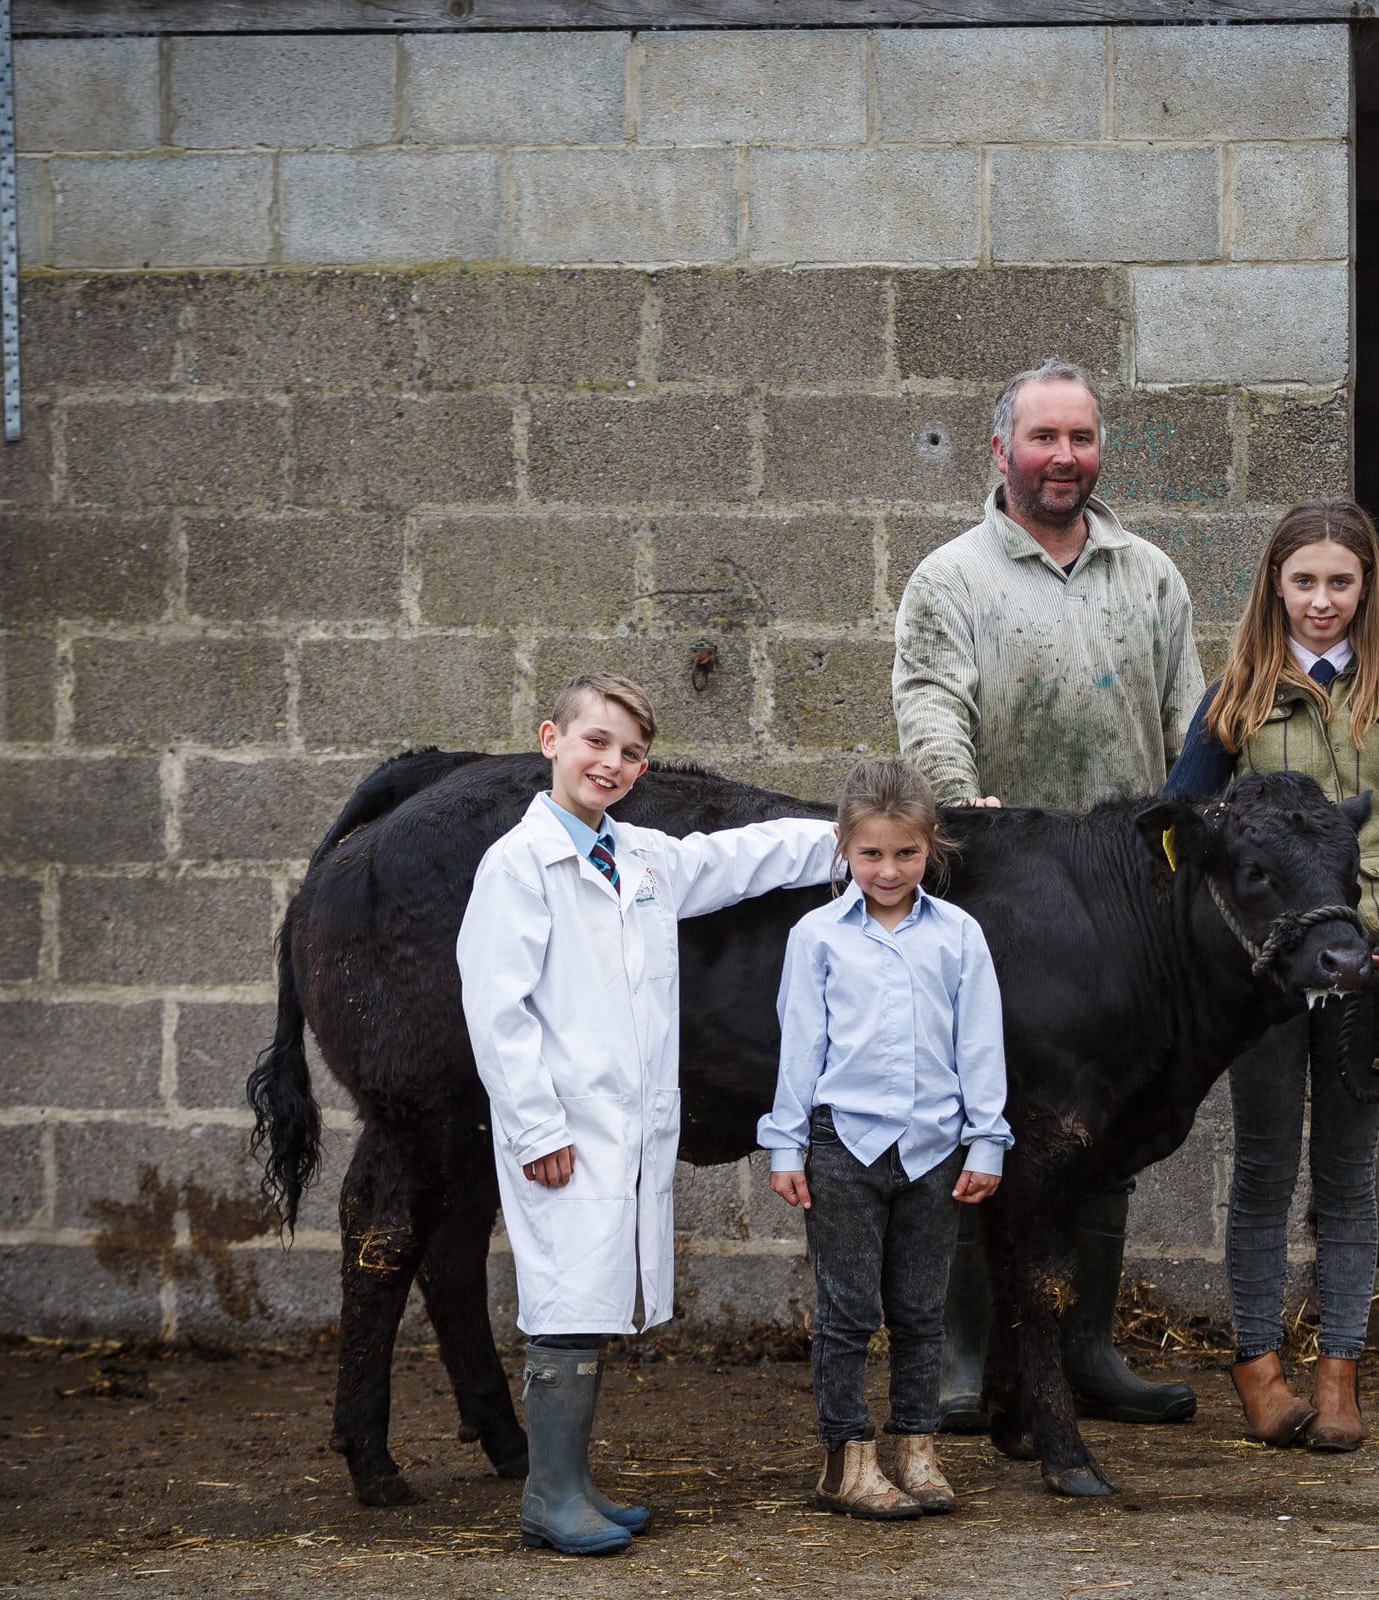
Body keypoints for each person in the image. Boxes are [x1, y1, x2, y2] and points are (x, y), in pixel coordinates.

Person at [457, 673, 841, 1554]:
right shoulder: (519, 865)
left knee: (590, 1296)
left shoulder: (636, 857)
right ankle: (548, 1498)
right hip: (564, 1131)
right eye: (597, 742)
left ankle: (572, 1484)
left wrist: (848, 841)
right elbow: (496, 1008)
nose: (613, 763)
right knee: (563, 1300)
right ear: (551, 739)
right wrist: (537, 1127)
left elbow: (737, 859)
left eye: (631, 753)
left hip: (621, 1132)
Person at [892, 357, 1206, 1430]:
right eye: (1042, 439)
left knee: (1100, 1129)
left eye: (1079, 438)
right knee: (986, 1120)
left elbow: (1190, 728)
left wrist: (1190, 846)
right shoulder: (951, 578)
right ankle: (966, 1356)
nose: (1063, 457)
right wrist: (956, 800)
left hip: (1123, 909)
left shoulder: (1150, 576)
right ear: (1000, 450)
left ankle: (1084, 1350)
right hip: (1005, 900)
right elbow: (931, 705)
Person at [1163, 499, 1379, 1453]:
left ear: (1366, 585)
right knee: (1261, 1169)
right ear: (1275, 587)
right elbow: (1182, 820)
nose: (1323, 600)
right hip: (1266, 977)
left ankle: (1339, 1376)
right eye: (1305, 582)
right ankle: (1257, 1367)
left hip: (1366, 959)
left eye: (1341, 581)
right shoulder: (1235, 698)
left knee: (1346, 1177)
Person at [758, 760, 1013, 1521]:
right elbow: (800, 1046)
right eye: (871, 854)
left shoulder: (960, 935)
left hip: (934, 1150)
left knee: (919, 1310)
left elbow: (981, 1044)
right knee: (846, 1312)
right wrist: (787, 1146)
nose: (888, 870)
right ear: (844, 848)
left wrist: (986, 1140)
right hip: (844, 1148)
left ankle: (914, 1446)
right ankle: (845, 1458)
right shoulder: (817, 938)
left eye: (904, 853)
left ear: (929, 847)